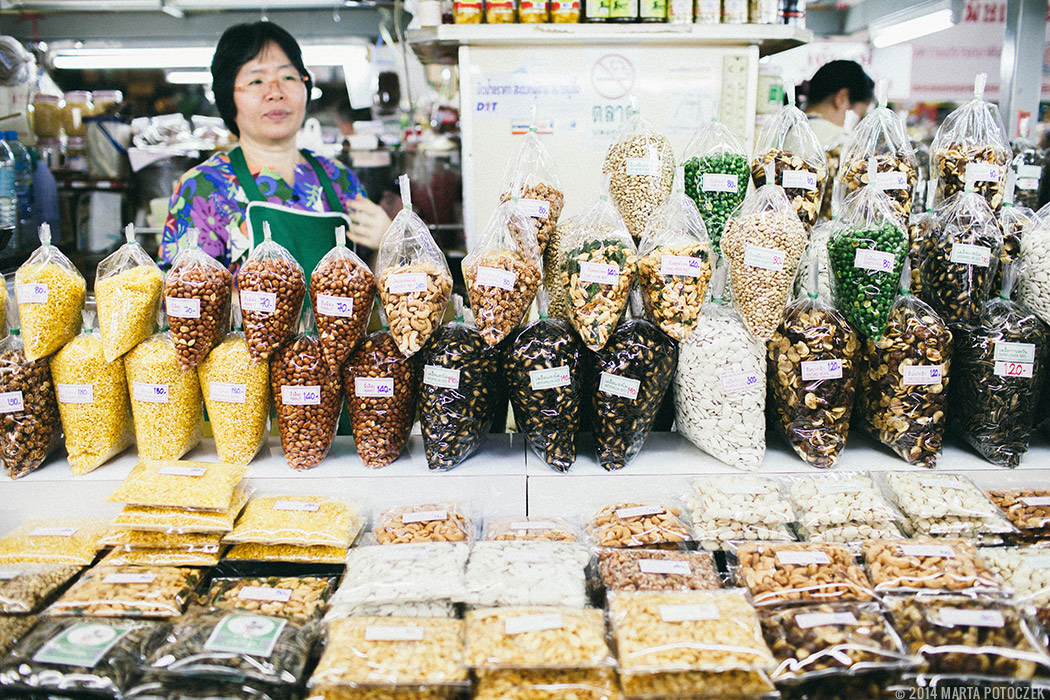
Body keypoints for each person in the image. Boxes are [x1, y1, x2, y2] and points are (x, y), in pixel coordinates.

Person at [161, 21, 392, 273]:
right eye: (256, 81)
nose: (275, 92)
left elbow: (371, 287)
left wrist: (387, 244)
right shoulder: (202, 188)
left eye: (288, 77)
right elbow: (181, 298)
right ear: (228, 97)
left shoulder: (340, 179)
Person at [801, 60, 875, 149]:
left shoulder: (789, 129)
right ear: (842, 98)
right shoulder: (840, 141)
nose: (856, 126)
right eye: (861, 115)